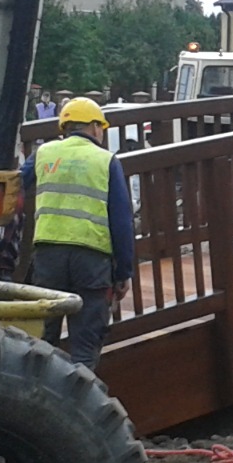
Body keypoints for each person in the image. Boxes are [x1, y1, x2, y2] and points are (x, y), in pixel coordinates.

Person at [21, 96, 136, 367]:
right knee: (85, 345)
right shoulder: (106, 161)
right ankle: (82, 392)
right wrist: (123, 272)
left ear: (65, 126)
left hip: (48, 256)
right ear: (95, 127)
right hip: (92, 260)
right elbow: (122, 221)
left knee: (43, 340)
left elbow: (14, 186)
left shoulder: (44, 153)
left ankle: (40, 390)